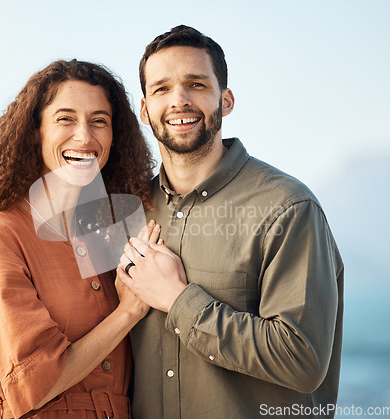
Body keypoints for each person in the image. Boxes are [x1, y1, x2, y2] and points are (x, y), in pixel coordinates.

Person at [117, 25, 344, 418]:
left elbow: (301, 359)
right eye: (161, 89)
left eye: (196, 84)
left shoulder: (287, 207)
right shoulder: (130, 209)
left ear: (226, 99)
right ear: (144, 109)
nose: (180, 100)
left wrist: (177, 300)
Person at [0, 59, 157, 418]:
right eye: (66, 119)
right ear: (35, 131)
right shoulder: (0, 235)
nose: (85, 136)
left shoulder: (112, 231)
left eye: (99, 121)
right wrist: (127, 313)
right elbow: (32, 386)